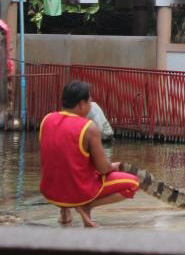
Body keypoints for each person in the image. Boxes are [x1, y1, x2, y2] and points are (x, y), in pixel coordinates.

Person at [39, 80, 139, 227]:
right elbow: (103, 168)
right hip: (78, 192)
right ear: (81, 104)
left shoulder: (46, 120)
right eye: (90, 101)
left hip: (50, 191)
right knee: (133, 183)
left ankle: (64, 211)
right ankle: (87, 206)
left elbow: (55, 156)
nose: (91, 105)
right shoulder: (89, 127)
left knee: (63, 161)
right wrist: (114, 166)